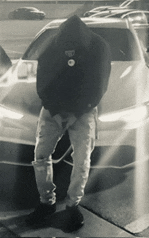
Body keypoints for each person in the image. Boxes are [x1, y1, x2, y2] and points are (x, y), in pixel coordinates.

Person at [26, 15, 111, 232]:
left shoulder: (99, 47)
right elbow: (43, 82)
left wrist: (76, 112)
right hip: (53, 107)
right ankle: (47, 203)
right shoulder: (52, 46)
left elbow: (98, 85)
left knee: (82, 159)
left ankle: (73, 205)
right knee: (41, 155)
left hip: (84, 109)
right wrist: (55, 111)